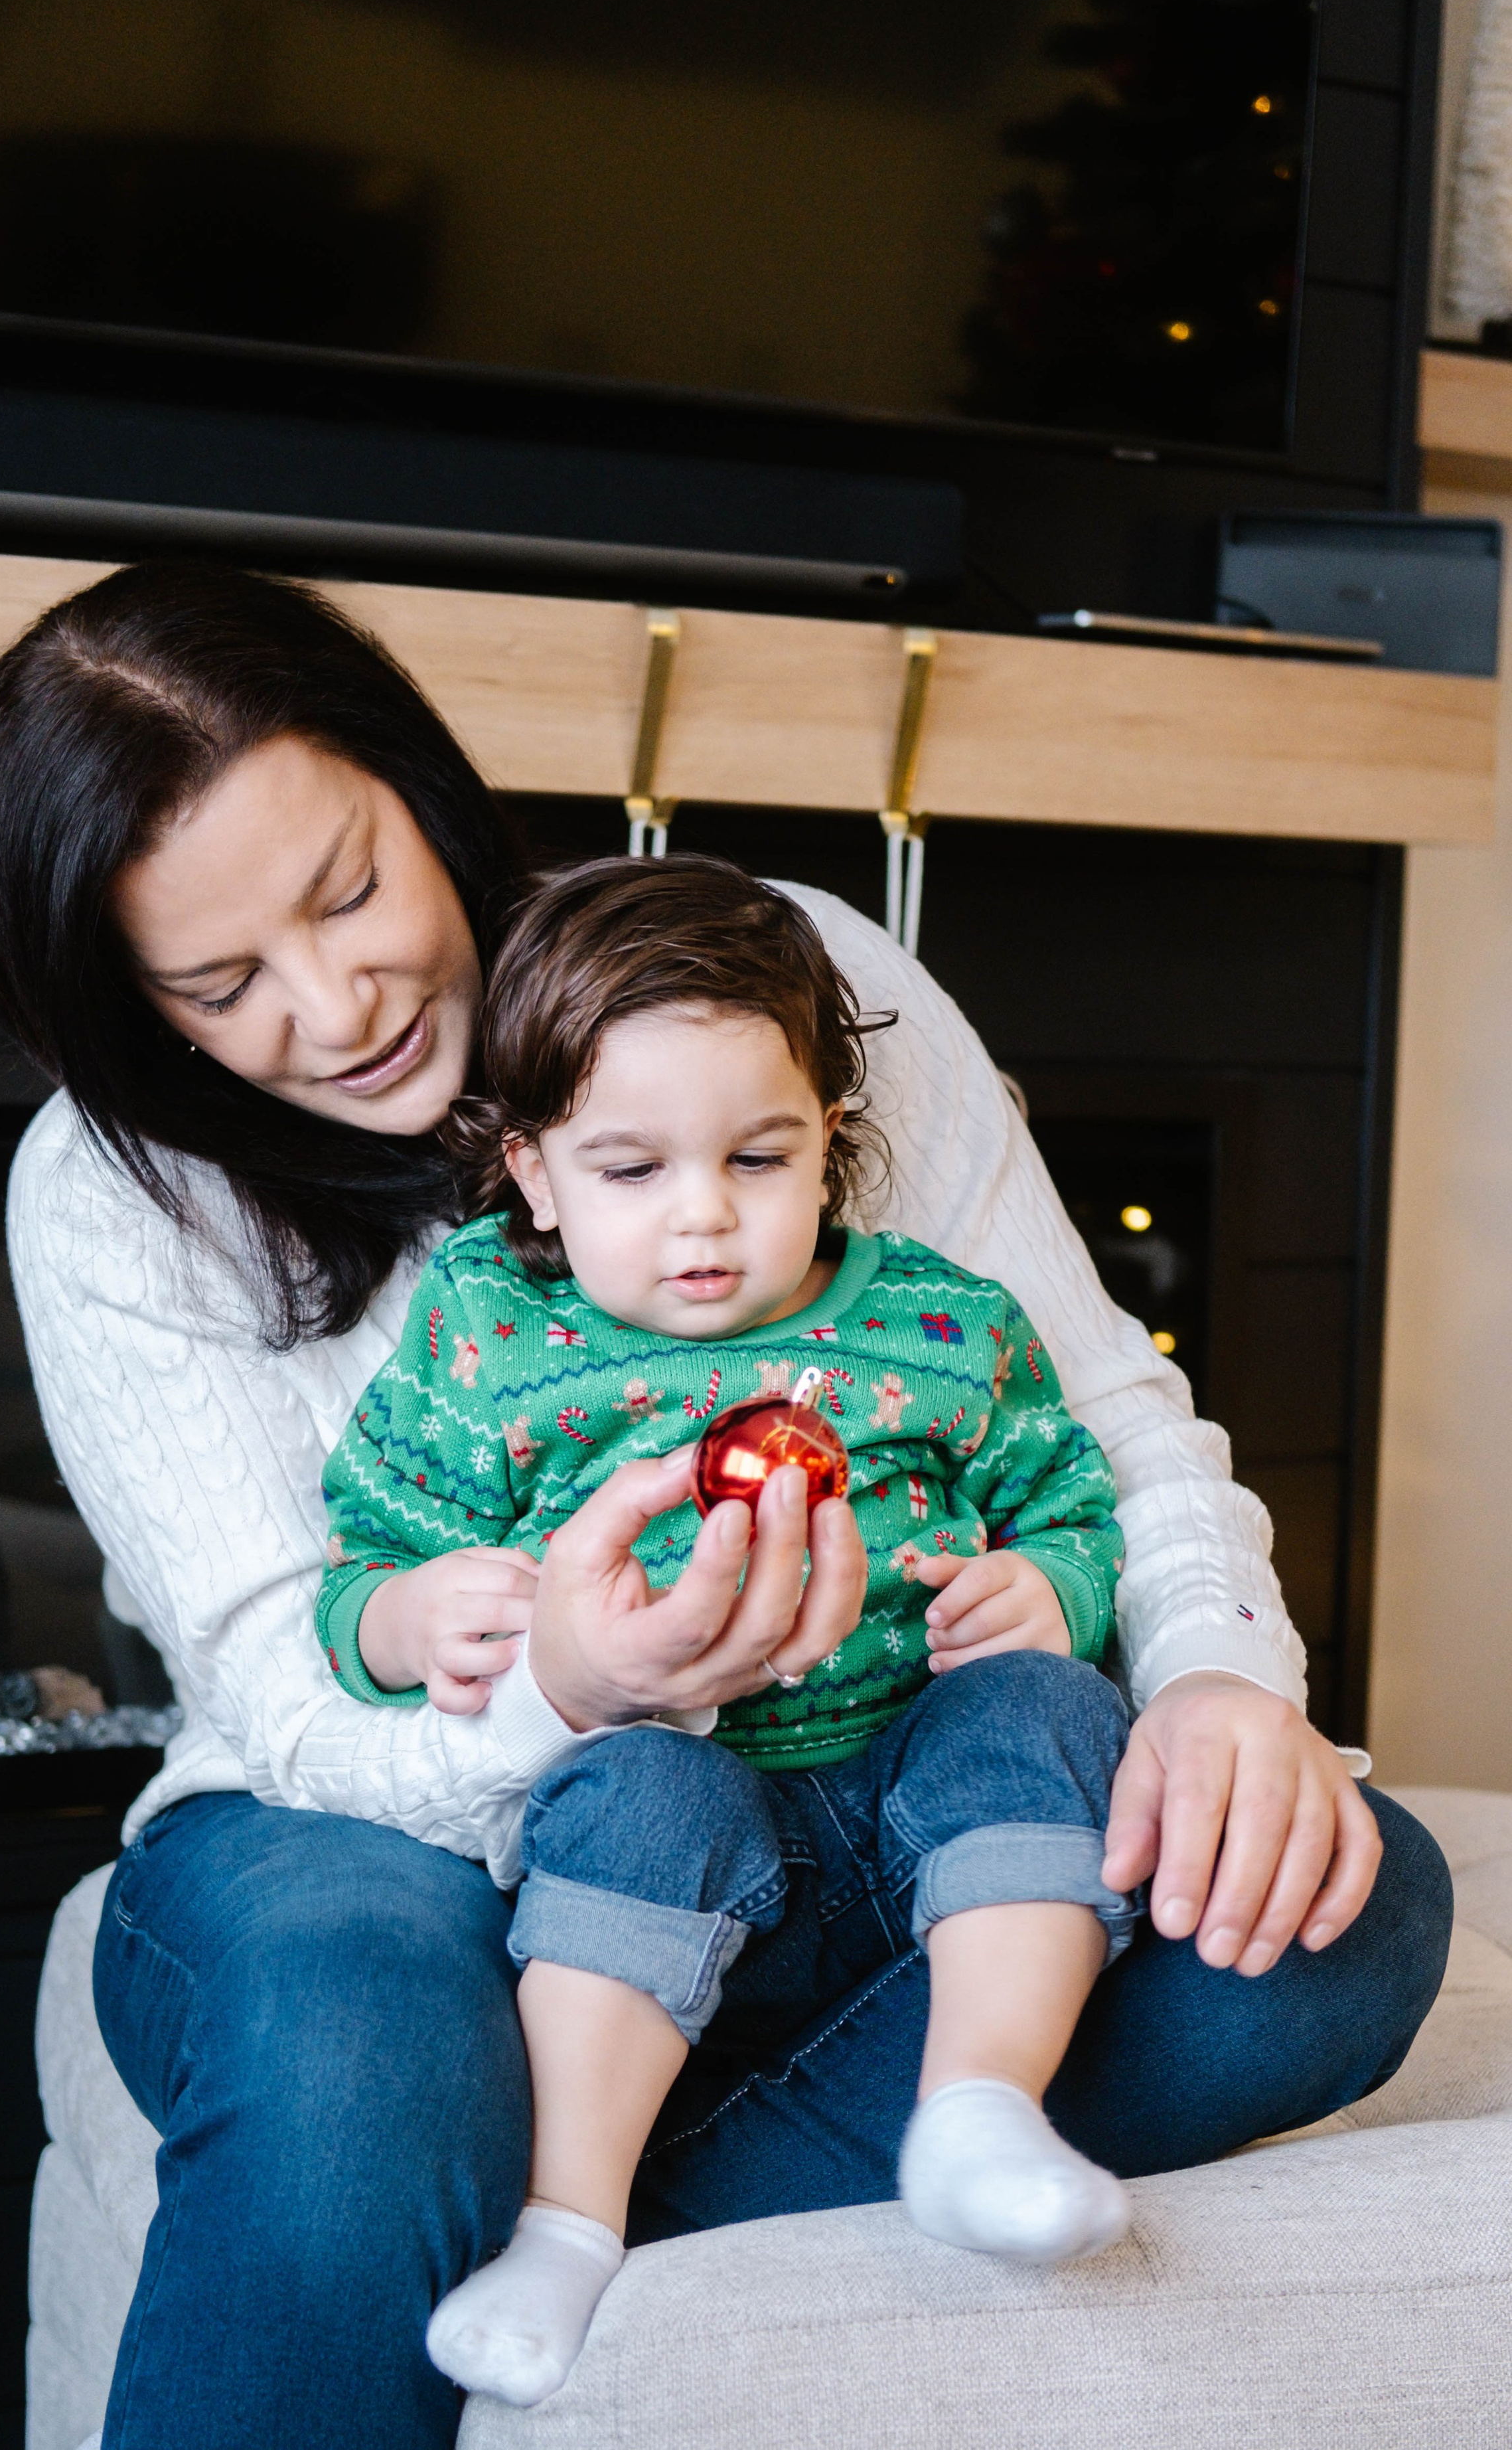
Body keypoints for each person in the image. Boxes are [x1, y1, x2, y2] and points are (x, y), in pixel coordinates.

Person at [0, 560, 1451, 2450]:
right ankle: (532, 2213)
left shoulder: (779, 977)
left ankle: (574, 2241)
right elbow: (285, 1682)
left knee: (1339, 1909)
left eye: (350, 889)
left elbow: (1097, 1411)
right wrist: (560, 1685)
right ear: (130, 1002)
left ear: (420, 784)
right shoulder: (115, 1195)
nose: (340, 1008)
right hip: (358, 1821)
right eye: (224, 982)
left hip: (854, 1789)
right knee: (358, 2058)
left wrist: (1220, 1676)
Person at [318, 855, 1139, 2409]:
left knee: (1046, 1709)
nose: (702, 1219)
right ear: (532, 1174)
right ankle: (567, 2222)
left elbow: (1070, 1496)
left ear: (830, 1145)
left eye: (755, 1158)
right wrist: (411, 1613)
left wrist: (1053, 1593)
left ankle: (976, 2108)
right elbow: (357, 1567)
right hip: (678, 1823)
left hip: (923, 1811)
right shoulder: (488, 1335)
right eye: (629, 1171)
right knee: (629, 1782)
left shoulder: (940, 1322)